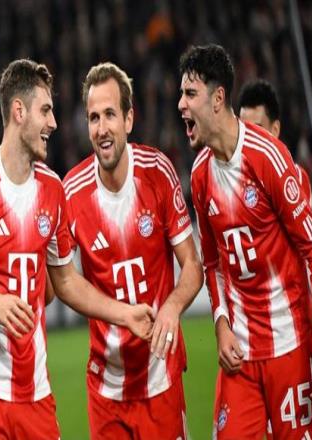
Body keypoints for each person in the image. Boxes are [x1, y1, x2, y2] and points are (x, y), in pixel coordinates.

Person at [0, 59, 154, 440]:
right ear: (18, 112)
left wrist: (125, 314)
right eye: (45, 110)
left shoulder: (53, 191)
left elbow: (64, 282)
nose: (53, 123)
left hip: (36, 392)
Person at [178, 44, 312, 439]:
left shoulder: (267, 157)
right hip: (241, 358)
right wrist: (221, 324)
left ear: (218, 99)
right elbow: (212, 263)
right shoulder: (200, 176)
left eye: (190, 94)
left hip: (289, 348)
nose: (181, 105)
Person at [62, 62, 203, 439]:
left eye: (110, 114)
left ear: (128, 119)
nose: (101, 128)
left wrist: (172, 307)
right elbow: (63, 281)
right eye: (93, 118)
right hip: (106, 389)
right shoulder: (71, 193)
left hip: (160, 378)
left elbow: (192, 265)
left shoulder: (158, 172)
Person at [238, 79, 312, 206]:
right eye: (245, 130)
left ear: (275, 130)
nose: (249, 139)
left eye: (257, 130)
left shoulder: (295, 178)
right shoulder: (228, 182)